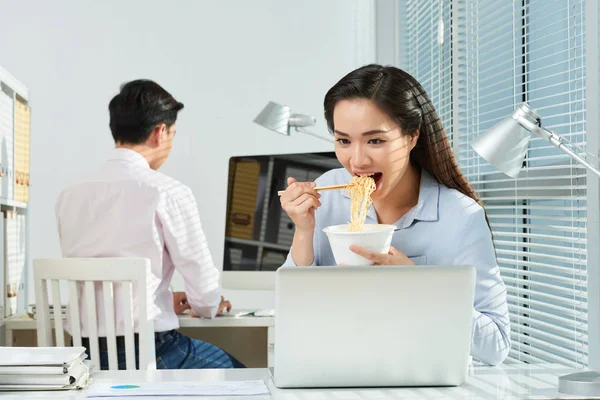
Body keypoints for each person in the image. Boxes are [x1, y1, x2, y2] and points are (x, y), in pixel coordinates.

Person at [279, 64, 511, 366]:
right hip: (335, 372)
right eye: (344, 141)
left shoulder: (461, 217)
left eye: (375, 140)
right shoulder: (327, 194)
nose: (357, 160)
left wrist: (417, 285)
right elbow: (293, 316)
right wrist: (303, 231)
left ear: (412, 136)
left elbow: (496, 346)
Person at [55, 79, 244, 370]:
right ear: (159, 132)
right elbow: (203, 289)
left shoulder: (70, 195)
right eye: (173, 134)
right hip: (152, 354)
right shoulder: (166, 191)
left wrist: (165, 298)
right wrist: (208, 303)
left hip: (82, 359)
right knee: (241, 374)